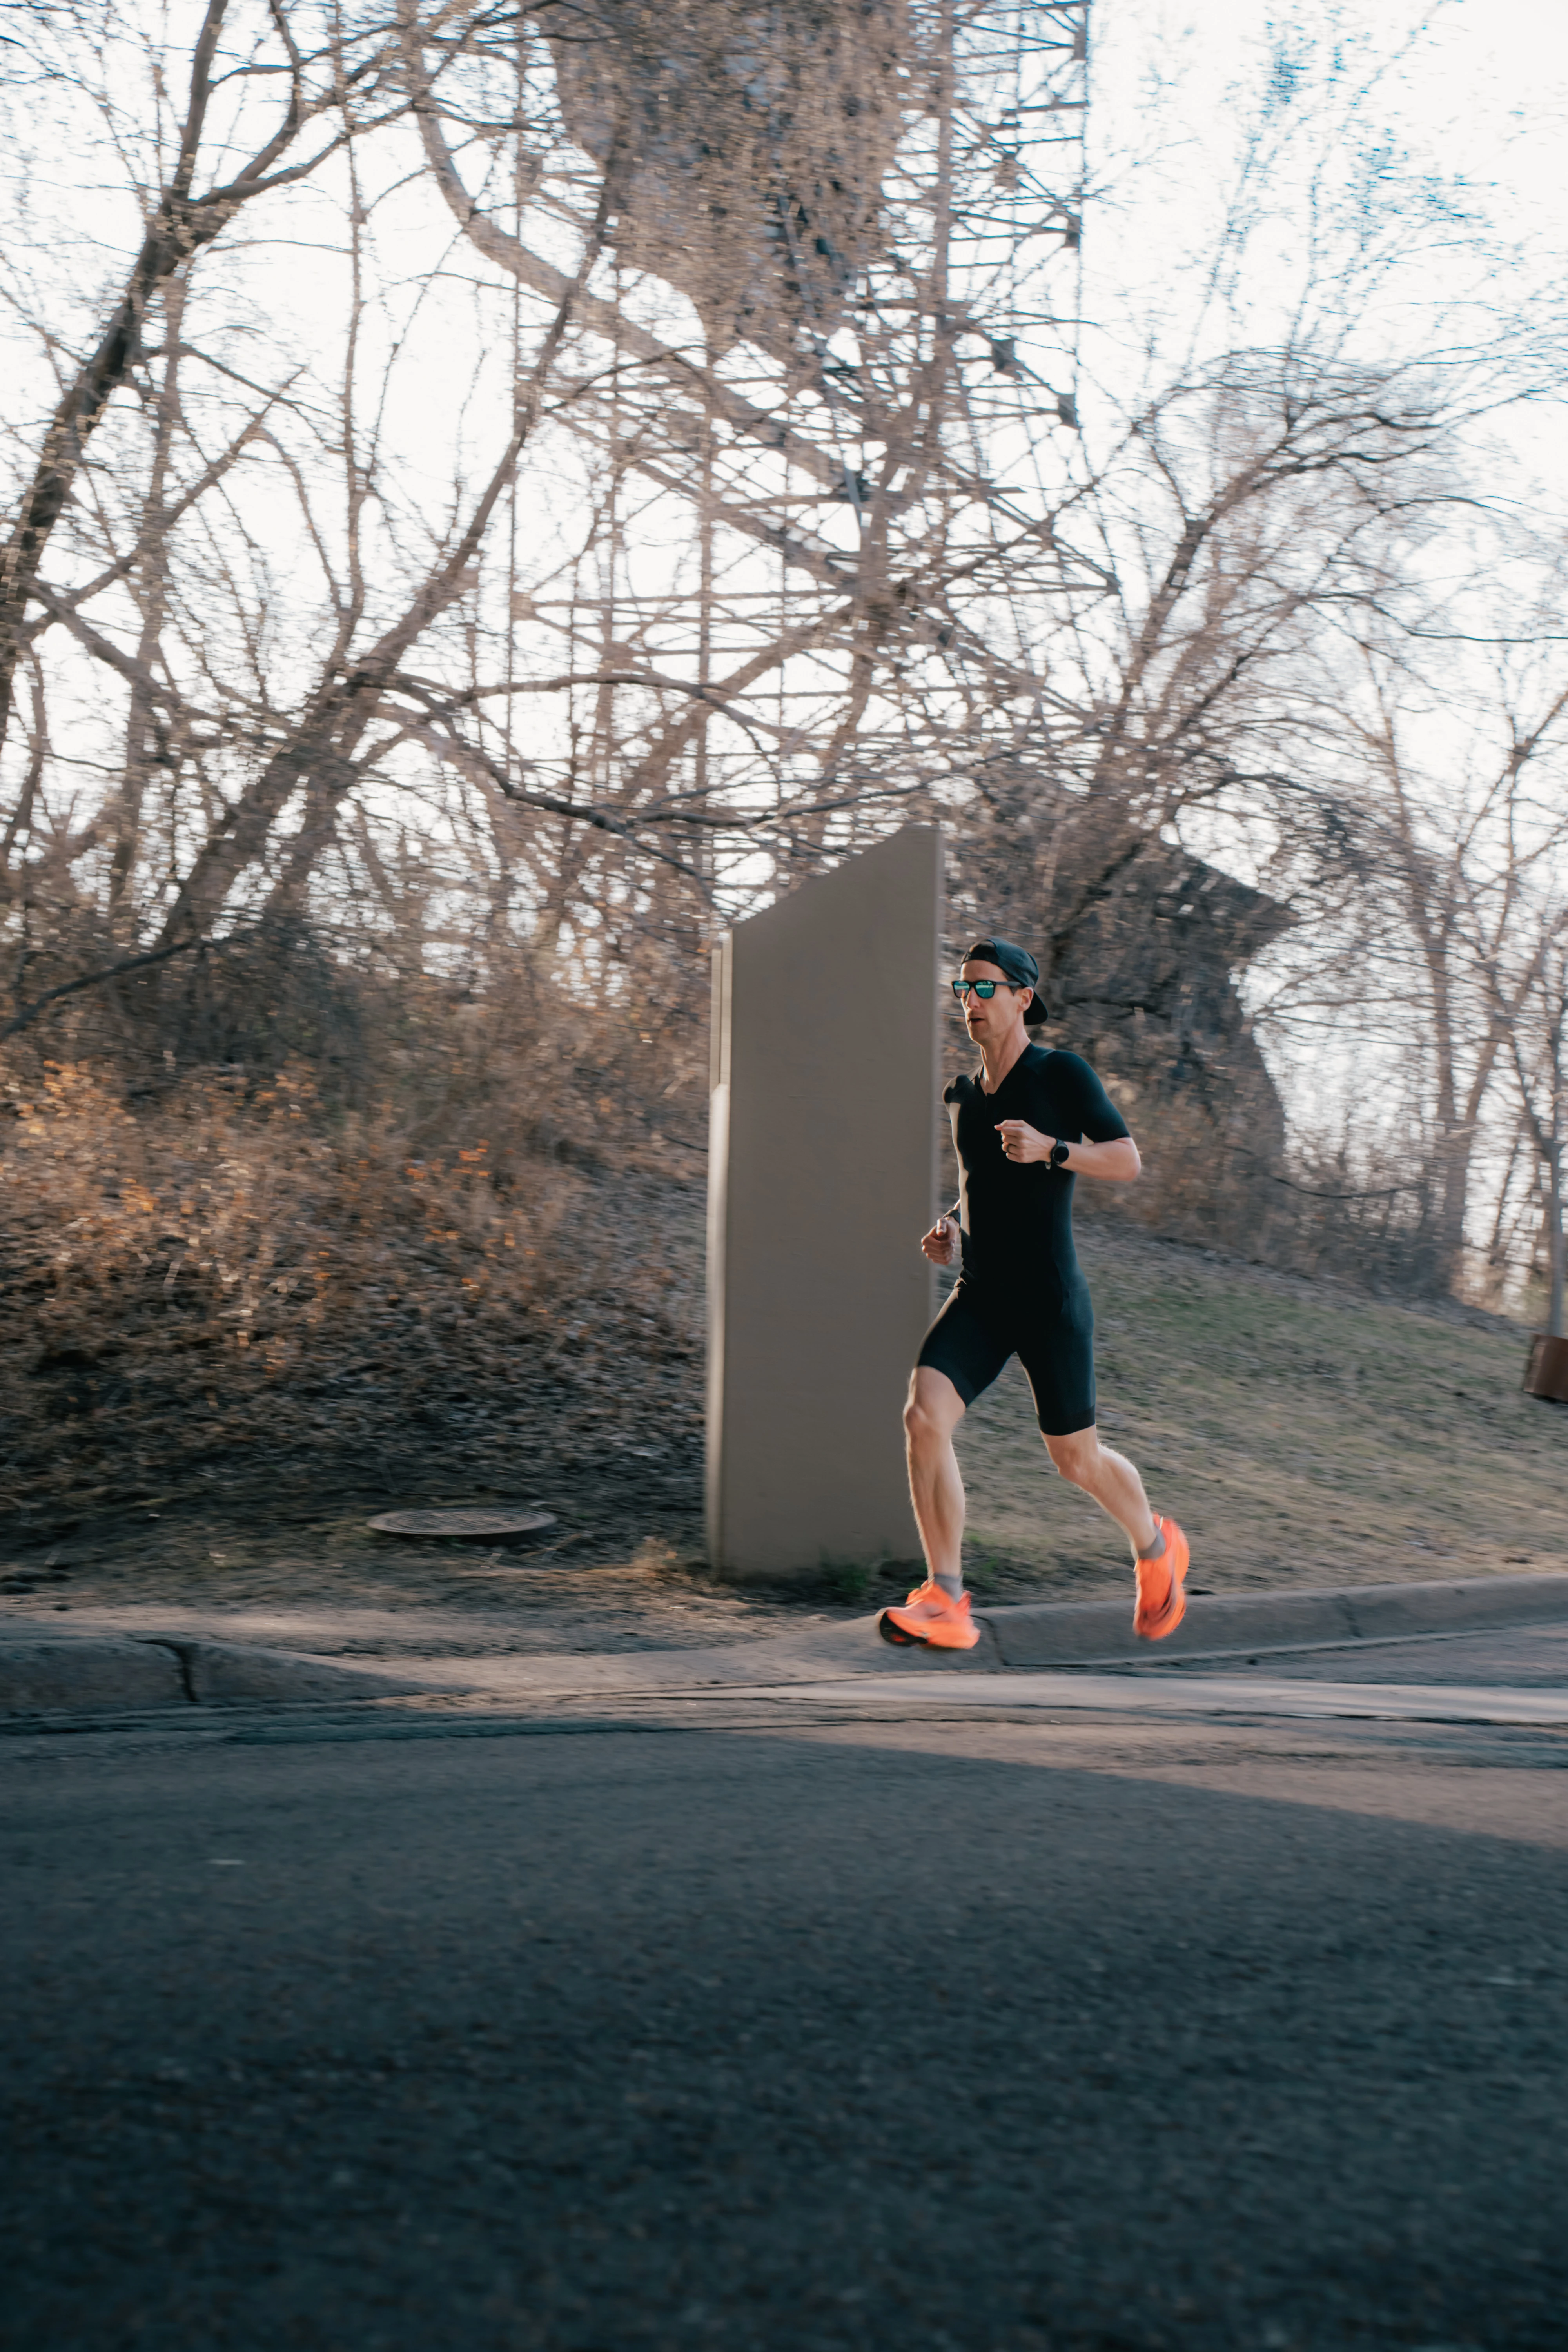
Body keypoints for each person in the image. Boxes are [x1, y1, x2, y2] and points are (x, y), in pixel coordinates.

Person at [880, 937, 1189, 1653]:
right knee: (924, 1416)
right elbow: (980, 1190)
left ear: (1023, 998)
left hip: (1049, 1301)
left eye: (985, 987)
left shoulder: (1061, 1074)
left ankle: (1156, 1548)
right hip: (983, 1294)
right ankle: (947, 1599)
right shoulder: (962, 1097)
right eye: (963, 989)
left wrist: (1054, 1149)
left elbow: (1127, 1161)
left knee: (1076, 1460)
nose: (971, 1000)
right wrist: (951, 1229)